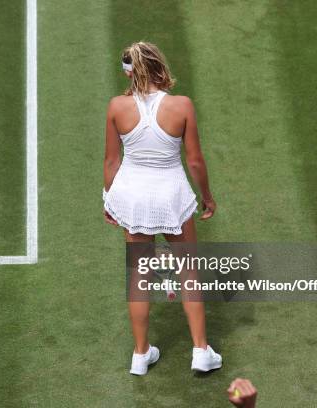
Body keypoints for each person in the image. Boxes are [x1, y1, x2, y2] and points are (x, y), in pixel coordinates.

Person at [102, 41, 221, 375]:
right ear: (158, 66)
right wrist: (207, 196)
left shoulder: (116, 106)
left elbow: (112, 160)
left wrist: (107, 200)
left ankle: (140, 355)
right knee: (188, 272)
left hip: (133, 199)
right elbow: (194, 160)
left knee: (139, 274)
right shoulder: (181, 105)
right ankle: (200, 351)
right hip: (171, 198)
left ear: (128, 72)